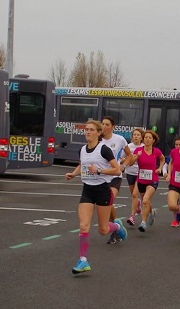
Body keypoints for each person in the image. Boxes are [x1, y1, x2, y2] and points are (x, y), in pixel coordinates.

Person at [65, 120, 127, 274]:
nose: (88, 132)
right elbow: (83, 165)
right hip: (87, 190)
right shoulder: (82, 149)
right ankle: (83, 261)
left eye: (92, 129)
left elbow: (116, 170)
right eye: (86, 129)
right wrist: (73, 173)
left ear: (99, 133)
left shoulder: (104, 149)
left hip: (102, 190)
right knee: (84, 226)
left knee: (103, 229)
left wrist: (99, 171)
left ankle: (118, 227)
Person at [101, 116, 133, 244]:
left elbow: (130, 155)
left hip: (115, 176)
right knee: (105, 203)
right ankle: (117, 226)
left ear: (113, 127)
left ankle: (115, 229)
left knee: (108, 199)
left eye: (107, 124)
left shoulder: (119, 140)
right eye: (102, 124)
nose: (104, 126)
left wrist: (123, 166)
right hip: (101, 176)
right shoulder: (97, 140)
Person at [125, 130, 165, 232]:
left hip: (153, 180)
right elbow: (130, 163)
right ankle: (152, 212)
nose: (147, 139)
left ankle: (143, 222)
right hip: (141, 179)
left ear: (153, 140)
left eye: (149, 138)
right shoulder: (138, 150)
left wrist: (160, 168)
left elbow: (162, 159)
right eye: (146, 137)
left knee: (146, 200)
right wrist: (136, 157)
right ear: (143, 139)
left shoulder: (156, 151)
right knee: (145, 200)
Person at [123, 128, 144, 226]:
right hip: (130, 172)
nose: (136, 136)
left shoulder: (144, 147)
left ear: (141, 137)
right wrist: (125, 160)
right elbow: (121, 158)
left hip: (140, 173)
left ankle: (132, 216)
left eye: (138, 135)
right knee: (134, 195)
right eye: (134, 135)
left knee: (135, 194)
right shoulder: (128, 147)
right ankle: (138, 204)